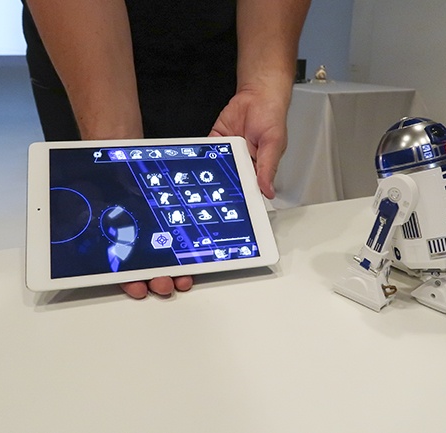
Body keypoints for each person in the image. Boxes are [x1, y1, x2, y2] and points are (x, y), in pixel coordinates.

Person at [22, 0, 311, 299]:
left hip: (218, 47)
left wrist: (262, 86)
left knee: (208, 238)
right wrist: (114, 141)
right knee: (99, 224)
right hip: (81, 38)